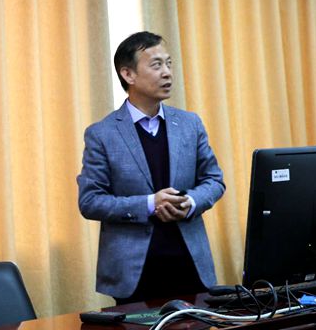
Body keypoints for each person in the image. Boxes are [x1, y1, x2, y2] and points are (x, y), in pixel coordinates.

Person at [77, 31, 225, 304]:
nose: (167, 72)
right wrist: (149, 204)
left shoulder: (190, 124)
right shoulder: (102, 134)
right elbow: (90, 201)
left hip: (190, 265)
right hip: (134, 275)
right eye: (156, 65)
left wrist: (191, 202)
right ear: (128, 74)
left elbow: (214, 180)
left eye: (169, 63)